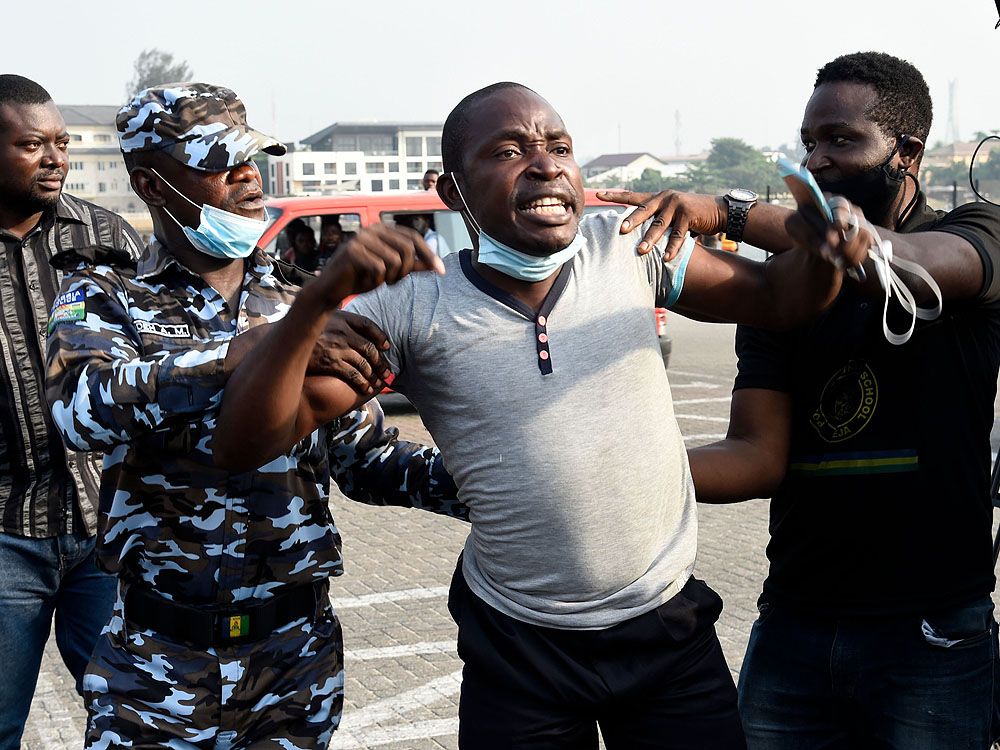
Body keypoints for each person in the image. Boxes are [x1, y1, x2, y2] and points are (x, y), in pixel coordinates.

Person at [212, 81, 866, 749]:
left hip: (669, 634)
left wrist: (816, 245)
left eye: (560, 147)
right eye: (509, 151)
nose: (547, 164)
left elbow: (780, 300)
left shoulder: (631, 247)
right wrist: (315, 306)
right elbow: (245, 441)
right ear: (451, 191)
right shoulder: (409, 307)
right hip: (519, 651)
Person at [44, 82, 462, 749]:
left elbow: (365, 459)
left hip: (293, 661)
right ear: (153, 186)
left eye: (251, 158)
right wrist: (255, 349)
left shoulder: (302, 297)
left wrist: (503, 485)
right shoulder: (104, 295)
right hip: (158, 666)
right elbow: (79, 412)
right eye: (218, 163)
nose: (246, 177)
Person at [632, 51, 1000, 749]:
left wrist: (731, 213)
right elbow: (756, 457)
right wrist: (630, 468)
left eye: (841, 139)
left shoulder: (975, 235)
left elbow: (886, 261)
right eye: (809, 143)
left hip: (933, 632)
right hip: (796, 623)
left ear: (907, 151)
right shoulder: (786, 287)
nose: (818, 159)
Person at [0, 74, 142, 749]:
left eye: (61, 142)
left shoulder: (106, 236)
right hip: (5, 537)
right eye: (33, 145)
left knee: (132, 716)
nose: (55, 157)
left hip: (105, 532)